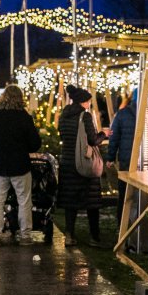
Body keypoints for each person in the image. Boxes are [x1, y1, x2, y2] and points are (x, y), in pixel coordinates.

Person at [0, 85, 41, 247]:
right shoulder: (24, 117)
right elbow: (35, 144)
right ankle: (25, 235)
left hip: (0, 165)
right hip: (20, 165)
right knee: (24, 200)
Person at [58, 84, 109, 247]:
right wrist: (104, 134)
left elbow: (63, 136)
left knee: (70, 202)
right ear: (83, 102)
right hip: (84, 162)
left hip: (67, 162)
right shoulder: (85, 116)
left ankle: (69, 235)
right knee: (91, 203)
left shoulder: (63, 115)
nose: (89, 104)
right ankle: (94, 237)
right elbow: (93, 140)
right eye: (88, 101)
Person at [106, 89, 137, 226]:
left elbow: (114, 137)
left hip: (126, 159)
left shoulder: (122, 113)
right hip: (146, 161)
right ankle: (139, 225)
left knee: (125, 195)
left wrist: (110, 157)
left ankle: (122, 225)